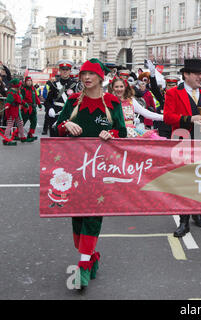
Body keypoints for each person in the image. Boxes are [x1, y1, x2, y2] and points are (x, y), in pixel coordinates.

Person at [55, 58, 127, 289]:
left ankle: (83, 266)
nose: (86, 78)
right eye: (83, 74)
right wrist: (66, 125)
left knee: (93, 215)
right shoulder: (74, 100)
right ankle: (91, 255)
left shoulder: (112, 102)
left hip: (102, 170)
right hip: (74, 168)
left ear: (100, 77)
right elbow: (57, 126)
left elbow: (122, 133)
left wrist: (111, 133)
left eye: (91, 74)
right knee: (77, 218)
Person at [163, 58, 201, 238]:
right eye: (196, 74)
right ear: (186, 74)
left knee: (200, 179)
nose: (200, 77)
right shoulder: (173, 93)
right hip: (182, 141)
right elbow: (168, 117)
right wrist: (190, 119)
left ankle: (197, 212)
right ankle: (184, 221)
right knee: (184, 182)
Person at [43, 60, 79, 135]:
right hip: (56, 116)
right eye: (63, 69)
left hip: (70, 115)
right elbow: (47, 101)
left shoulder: (75, 85)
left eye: (67, 70)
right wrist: (50, 108)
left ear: (70, 71)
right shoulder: (54, 85)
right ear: (59, 71)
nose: (65, 72)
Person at [2, 79, 29, 146]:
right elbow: (8, 101)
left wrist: (25, 104)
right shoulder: (11, 93)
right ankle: (6, 139)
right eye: (19, 85)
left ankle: (22, 136)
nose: (20, 86)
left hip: (17, 111)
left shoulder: (17, 93)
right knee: (10, 124)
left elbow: (21, 100)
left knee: (20, 123)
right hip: (11, 111)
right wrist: (7, 105)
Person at [20, 76, 42, 141]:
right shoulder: (23, 89)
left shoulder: (33, 89)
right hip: (26, 108)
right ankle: (16, 134)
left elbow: (36, 97)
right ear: (25, 82)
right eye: (27, 81)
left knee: (34, 121)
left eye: (30, 81)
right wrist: (24, 105)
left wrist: (40, 105)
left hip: (33, 108)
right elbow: (21, 99)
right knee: (22, 122)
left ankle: (30, 134)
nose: (29, 82)